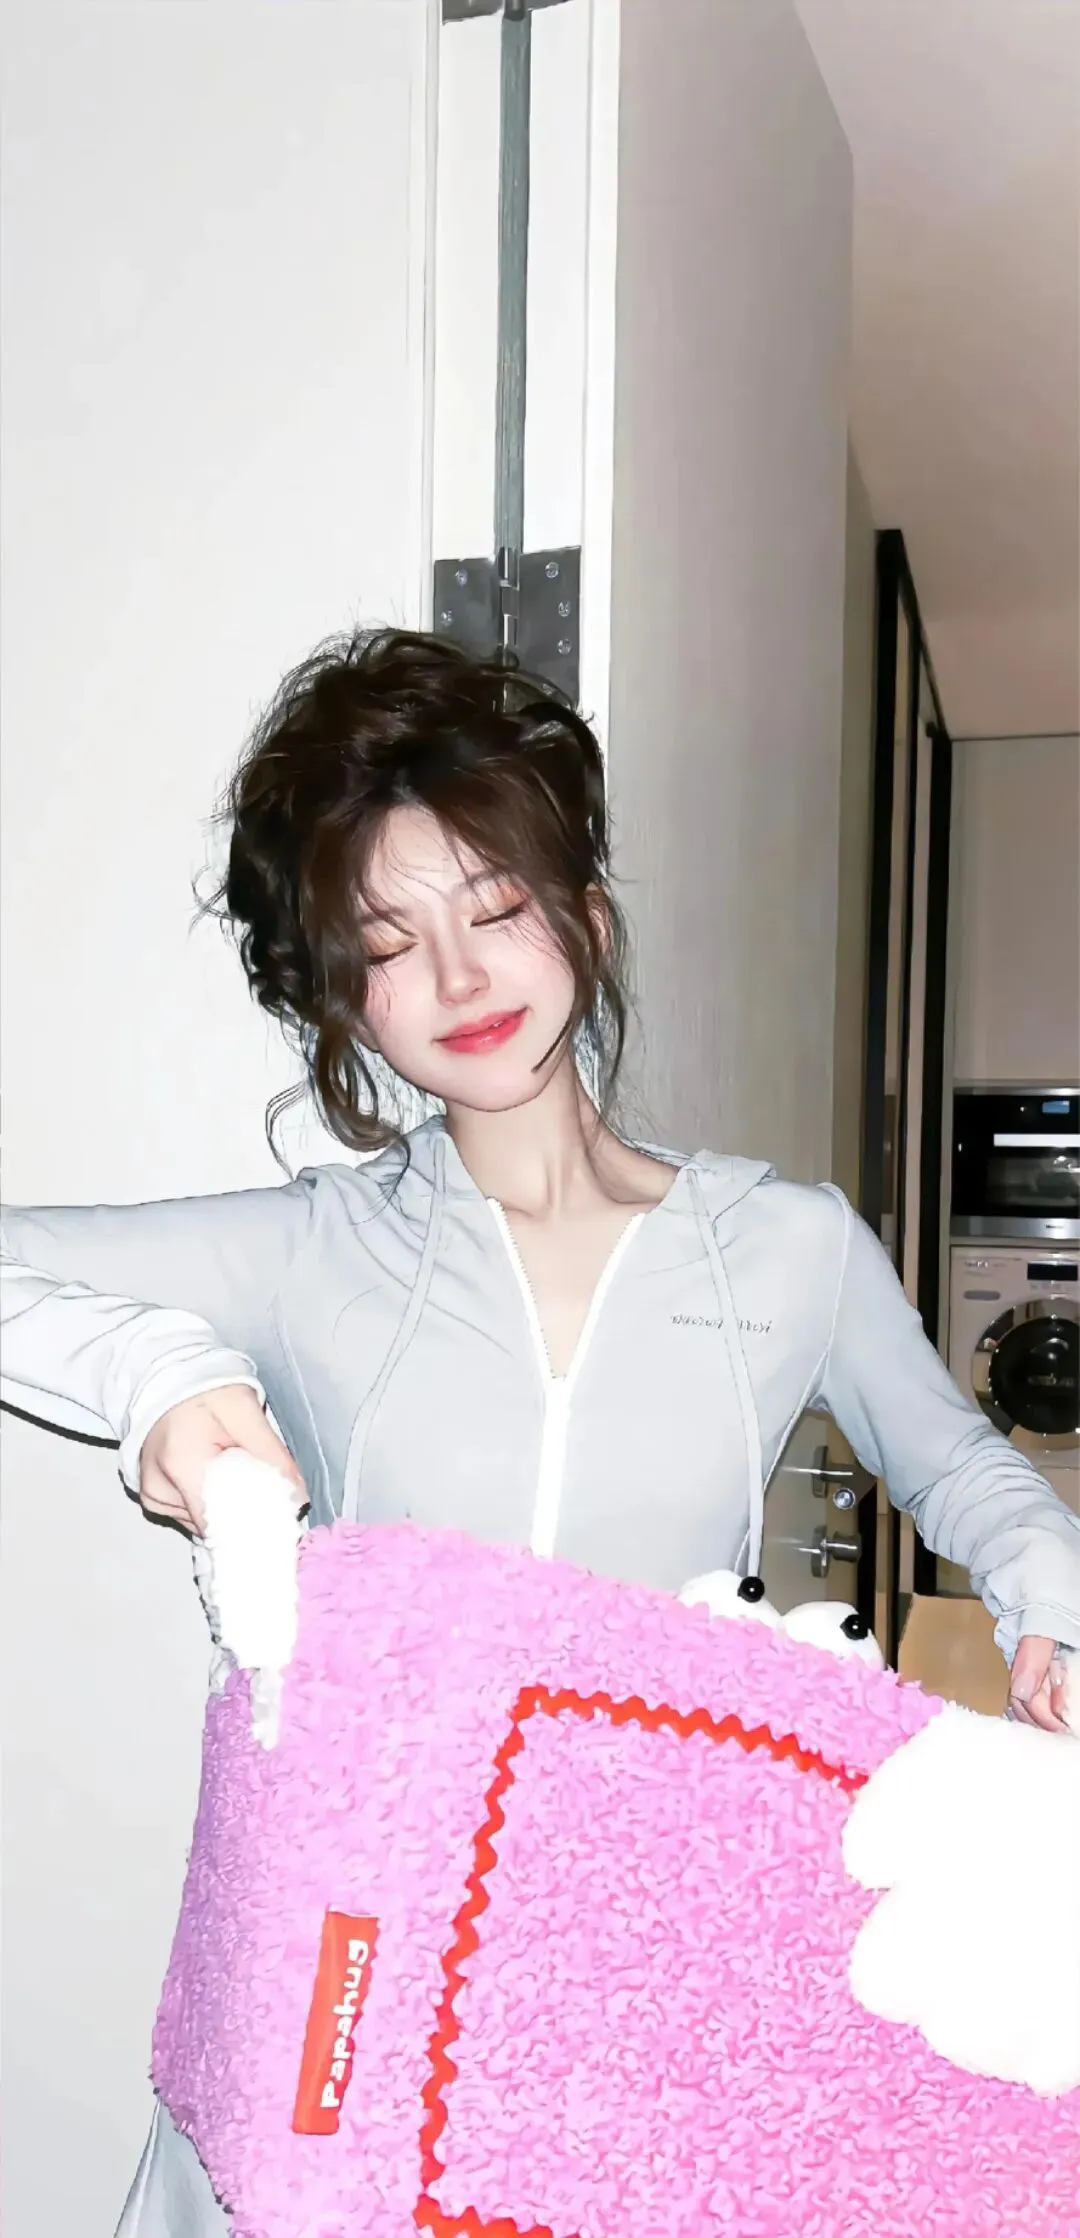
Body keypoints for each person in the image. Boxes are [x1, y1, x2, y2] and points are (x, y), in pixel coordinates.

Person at [3, 628, 1079, 2237]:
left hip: (627, 1983)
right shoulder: (306, 1251)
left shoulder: (787, 1247)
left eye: (497, 907)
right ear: (346, 1000)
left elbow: (968, 1468)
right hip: (341, 1958)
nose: (459, 978)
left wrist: (1049, 1597)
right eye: (390, 942)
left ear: (585, 911)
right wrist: (153, 1373)